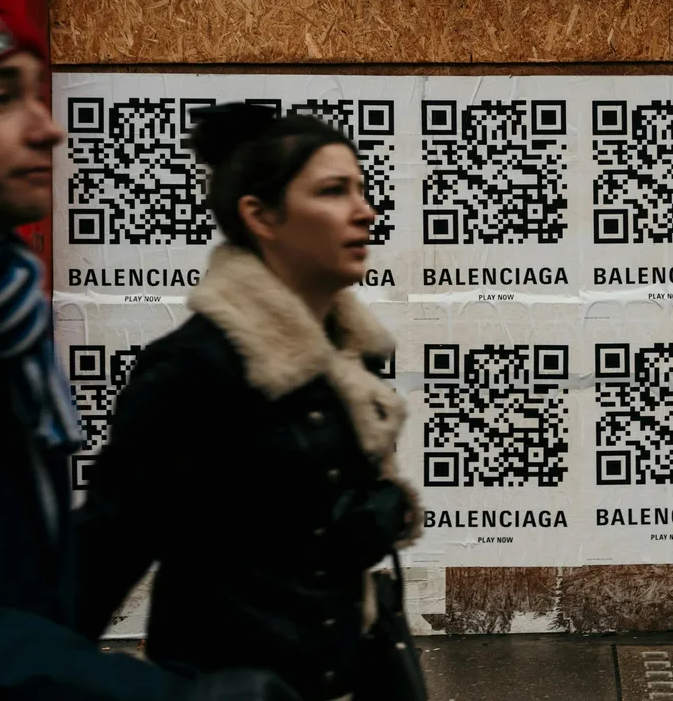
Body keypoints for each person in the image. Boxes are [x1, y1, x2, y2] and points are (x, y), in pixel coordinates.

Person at [0, 0, 301, 701]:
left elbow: (42, 579)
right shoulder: (193, 361)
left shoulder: (5, 316)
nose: (49, 129)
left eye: (37, 94)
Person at [74, 103, 423, 701]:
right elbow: (98, 564)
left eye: (361, 188)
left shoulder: (344, 358)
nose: (364, 210)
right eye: (333, 191)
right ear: (261, 216)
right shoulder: (196, 368)